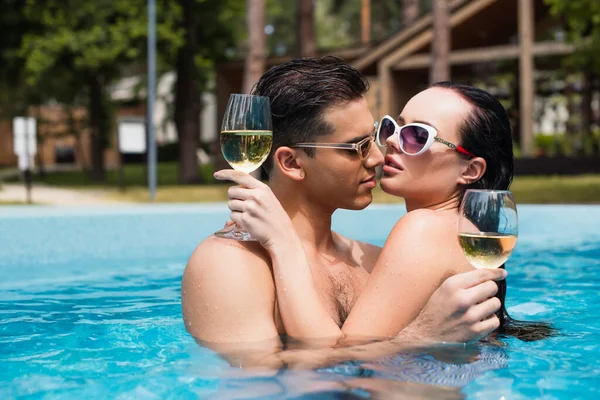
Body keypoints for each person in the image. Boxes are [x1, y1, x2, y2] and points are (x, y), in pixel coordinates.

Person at [181, 57, 506, 368]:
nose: (378, 157)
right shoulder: (229, 263)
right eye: (358, 146)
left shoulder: (373, 260)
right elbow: (260, 389)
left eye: (374, 137)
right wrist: (418, 337)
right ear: (292, 163)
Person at [216, 76, 555, 343]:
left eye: (417, 135)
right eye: (392, 127)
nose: (391, 141)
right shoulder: (461, 234)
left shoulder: (421, 229)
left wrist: (283, 242)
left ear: (470, 170)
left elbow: (338, 360)